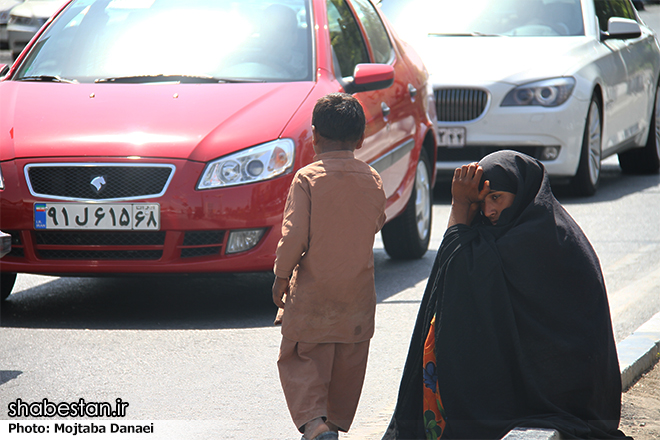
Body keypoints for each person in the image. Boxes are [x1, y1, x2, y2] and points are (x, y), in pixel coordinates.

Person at [384, 150, 629, 440]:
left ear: (522, 192)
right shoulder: (531, 232)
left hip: (562, 393)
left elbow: (456, 271)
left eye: (496, 197)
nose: (488, 211)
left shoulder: (539, 240)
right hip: (572, 396)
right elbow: (452, 278)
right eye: (481, 202)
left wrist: (460, 205)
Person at [273, 93, 387, 440]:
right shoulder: (373, 178)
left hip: (314, 292)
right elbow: (376, 221)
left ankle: (313, 424)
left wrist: (281, 277)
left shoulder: (308, 179)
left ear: (314, 135)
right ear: (361, 139)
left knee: (301, 356)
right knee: (347, 362)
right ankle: (333, 424)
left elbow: (294, 236)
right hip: (357, 294)